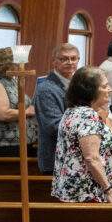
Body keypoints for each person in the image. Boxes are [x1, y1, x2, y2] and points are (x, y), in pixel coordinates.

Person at [52, 66, 112, 203]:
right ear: (90, 91)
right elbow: (91, 158)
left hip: (74, 188)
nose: (110, 89)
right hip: (86, 191)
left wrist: (107, 170)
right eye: (105, 86)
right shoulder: (87, 115)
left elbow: (77, 154)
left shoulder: (72, 111)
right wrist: (109, 191)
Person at [35, 43, 81, 174]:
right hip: (56, 159)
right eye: (64, 59)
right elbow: (54, 126)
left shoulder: (79, 84)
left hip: (75, 156)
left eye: (73, 58)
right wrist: (87, 128)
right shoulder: (46, 89)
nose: (69, 62)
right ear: (54, 62)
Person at [0, 47, 37, 157]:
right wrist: (28, 112)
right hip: (7, 144)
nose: (20, 65)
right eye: (18, 62)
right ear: (7, 63)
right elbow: (3, 114)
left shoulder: (11, 80)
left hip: (24, 141)